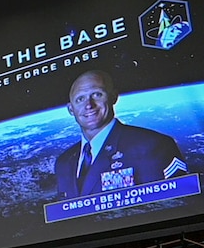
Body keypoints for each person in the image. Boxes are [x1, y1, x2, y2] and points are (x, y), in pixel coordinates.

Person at [55, 70, 186, 199]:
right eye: (80, 99)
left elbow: (181, 203)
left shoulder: (153, 145)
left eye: (97, 95)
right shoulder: (64, 162)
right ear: (71, 109)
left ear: (113, 97)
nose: (89, 105)